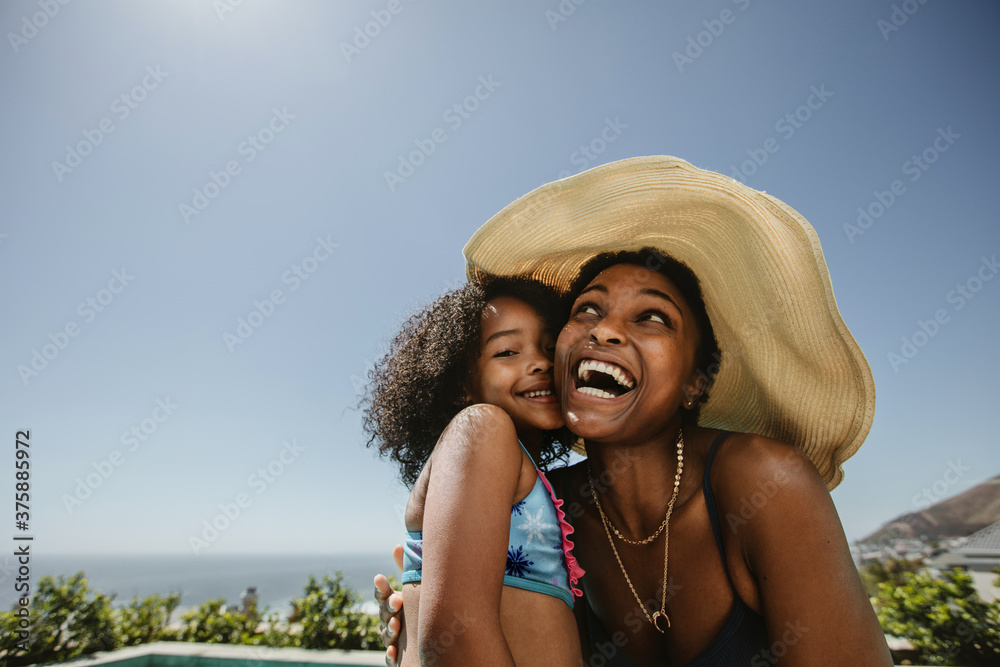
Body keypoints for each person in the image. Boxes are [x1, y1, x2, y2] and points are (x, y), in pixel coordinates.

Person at [376, 156, 893, 665]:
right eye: (587, 311)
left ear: (696, 380)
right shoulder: (548, 511)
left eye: (652, 317)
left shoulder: (766, 483)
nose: (604, 330)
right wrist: (413, 622)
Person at [363, 277, 585, 666]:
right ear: (461, 385)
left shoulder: (523, 469)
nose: (541, 362)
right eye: (506, 352)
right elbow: (455, 637)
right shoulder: (484, 426)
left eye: (550, 348)